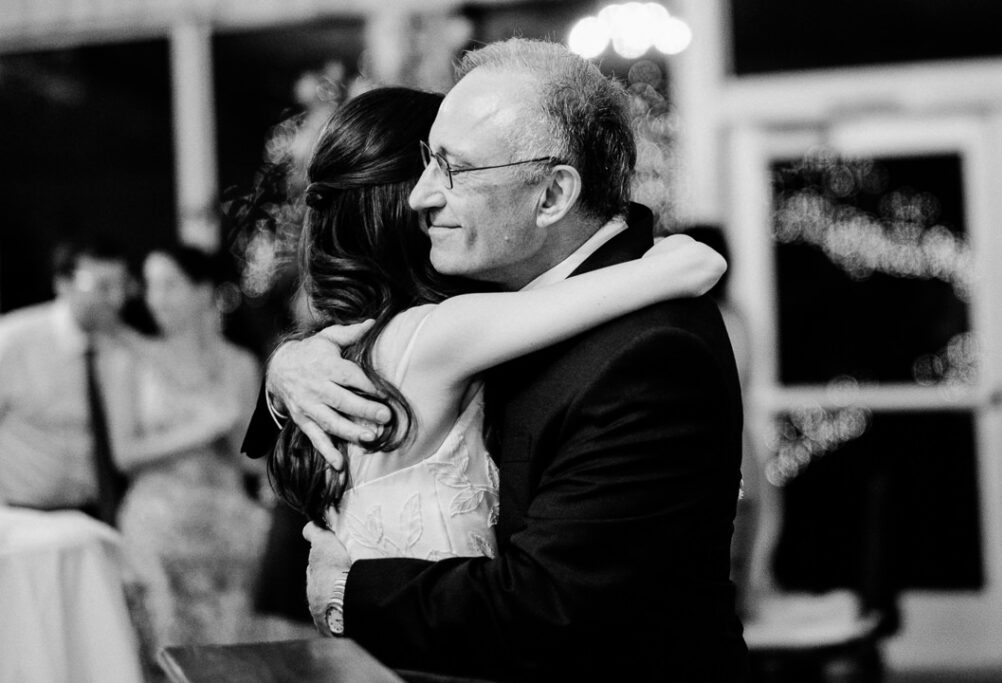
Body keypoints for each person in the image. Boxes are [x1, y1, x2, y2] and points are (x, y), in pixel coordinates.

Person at [248, 39, 749, 681]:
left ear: (551, 196)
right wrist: (287, 368)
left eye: (453, 170)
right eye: (428, 162)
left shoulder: (649, 351)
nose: (421, 197)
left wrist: (352, 592)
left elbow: (555, 606)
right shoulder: (484, 305)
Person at [105, 245, 272, 647]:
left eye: (169, 285)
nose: (155, 297)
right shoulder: (130, 359)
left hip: (227, 532)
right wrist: (200, 429)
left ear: (202, 291)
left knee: (233, 657)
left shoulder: (239, 364)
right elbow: (124, 454)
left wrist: (235, 434)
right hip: (158, 529)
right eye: (150, 285)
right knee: (164, 653)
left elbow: (250, 463)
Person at [0, 239, 134, 522]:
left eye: (122, 286)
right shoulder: (14, 341)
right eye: (102, 286)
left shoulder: (120, 346)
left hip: (97, 514)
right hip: (24, 517)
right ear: (63, 284)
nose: (116, 299)